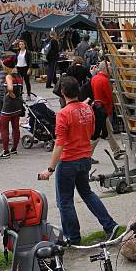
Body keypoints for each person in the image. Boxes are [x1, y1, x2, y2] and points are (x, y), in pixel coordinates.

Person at [38, 76, 118, 245]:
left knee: (65, 201)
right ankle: (110, 225)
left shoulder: (63, 114)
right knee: (87, 193)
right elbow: (90, 132)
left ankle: (72, 237)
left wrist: (50, 170)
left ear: (62, 93)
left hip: (68, 161)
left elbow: (59, 145)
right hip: (85, 158)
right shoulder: (87, 109)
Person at [90, 61, 125, 160]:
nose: (110, 69)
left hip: (98, 108)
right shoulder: (105, 81)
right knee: (98, 135)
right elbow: (110, 96)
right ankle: (86, 156)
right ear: (104, 69)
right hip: (103, 110)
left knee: (108, 131)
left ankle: (116, 150)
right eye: (109, 67)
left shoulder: (94, 78)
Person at [0, 56, 23, 159]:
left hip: (8, 105)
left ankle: (5, 150)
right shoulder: (19, 75)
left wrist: (10, 92)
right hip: (17, 104)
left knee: (3, 128)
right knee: (16, 127)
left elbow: (10, 87)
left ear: (7, 67)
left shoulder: (9, 76)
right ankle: (14, 148)